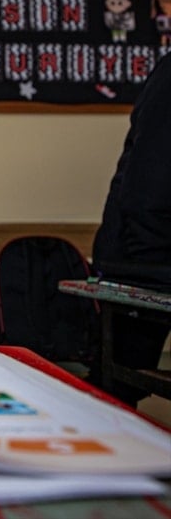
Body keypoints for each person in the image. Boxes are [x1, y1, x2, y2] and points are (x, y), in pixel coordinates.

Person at [90, 51, 171, 406]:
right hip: (141, 258)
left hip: (148, 249)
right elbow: (149, 185)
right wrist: (150, 271)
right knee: (114, 396)